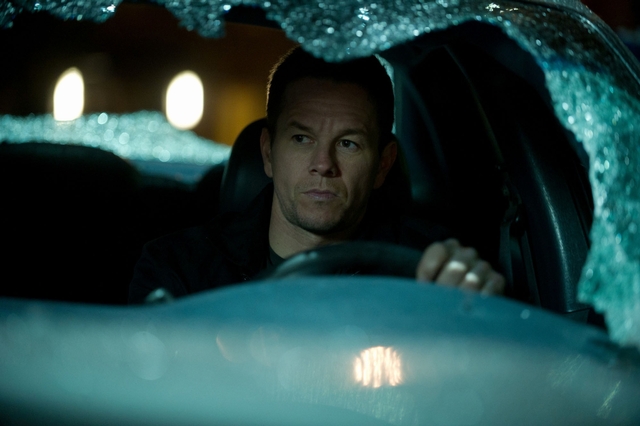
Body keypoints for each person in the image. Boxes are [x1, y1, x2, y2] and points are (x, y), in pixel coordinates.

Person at [128, 47, 505, 304]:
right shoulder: (181, 269)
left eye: (348, 144)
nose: (323, 163)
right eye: (301, 138)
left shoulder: (426, 270)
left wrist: (475, 304)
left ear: (383, 164)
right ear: (268, 154)